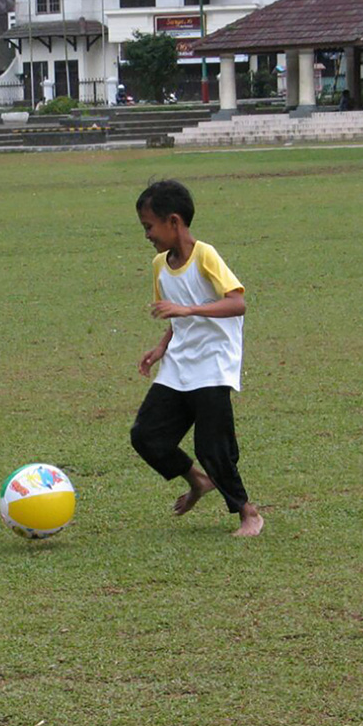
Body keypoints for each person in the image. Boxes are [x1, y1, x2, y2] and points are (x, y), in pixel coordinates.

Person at [129, 180, 264, 538]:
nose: (147, 235)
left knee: (212, 445)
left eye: (149, 226)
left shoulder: (205, 255)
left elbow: (237, 302)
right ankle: (198, 481)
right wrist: (161, 348)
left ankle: (248, 513)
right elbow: (175, 319)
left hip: (214, 364)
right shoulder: (160, 265)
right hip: (179, 364)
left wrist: (188, 309)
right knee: (146, 435)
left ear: (174, 222)